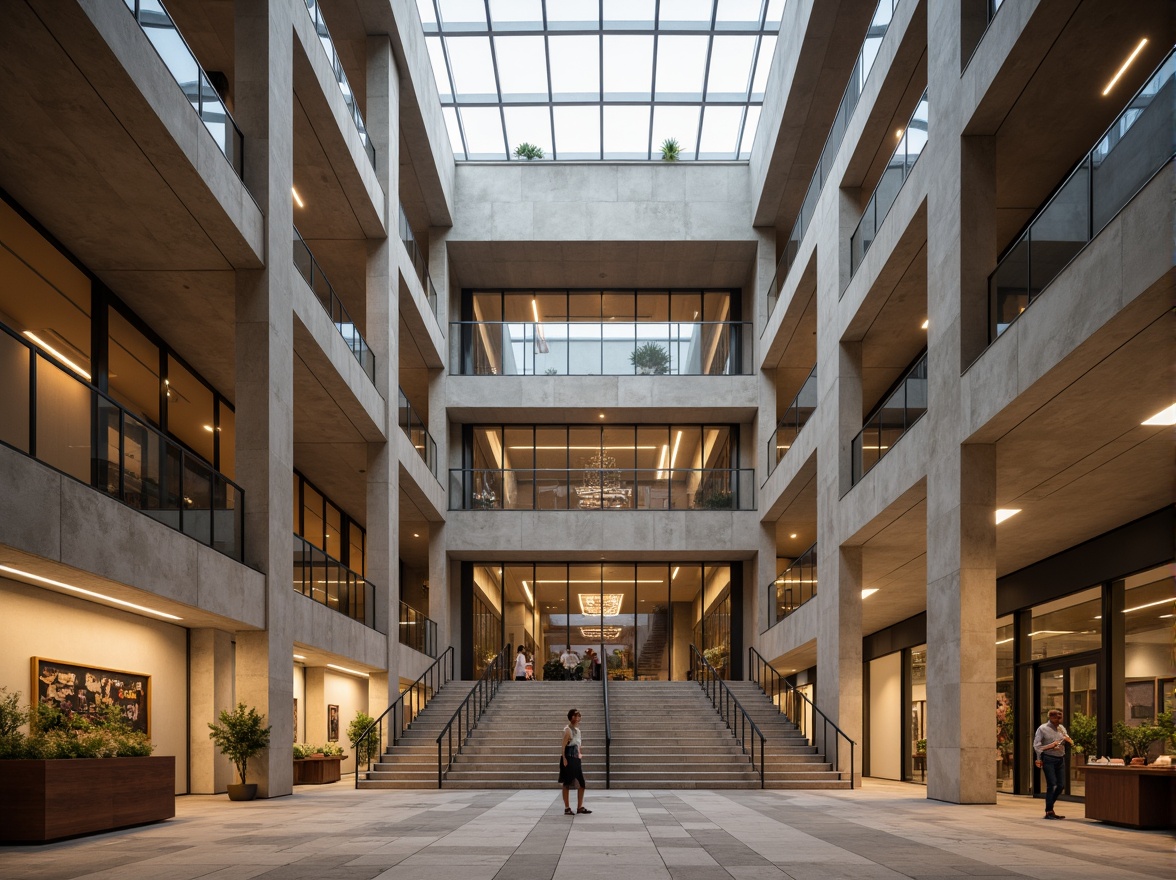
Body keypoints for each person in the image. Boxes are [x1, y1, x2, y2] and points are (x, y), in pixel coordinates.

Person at [1033, 708, 1074, 819]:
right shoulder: (1042, 729)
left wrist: (1069, 740)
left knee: (1061, 785)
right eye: (1057, 718)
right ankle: (1049, 811)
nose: (1060, 720)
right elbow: (1036, 746)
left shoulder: (1061, 728)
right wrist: (1050, 746)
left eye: (1061, 718)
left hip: (1060, 759)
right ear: (1051, 717)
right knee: (1052, 784)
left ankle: (1050, 807)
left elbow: (1066, 739)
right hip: (1048, 759)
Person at [559, 708, 591, 815]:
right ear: (571, 717)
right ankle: (567, 808)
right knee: (567, 783)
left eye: (578, 716)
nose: (577, 718)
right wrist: (564, 758)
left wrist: (580, 753)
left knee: (581, 783)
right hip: (568, 758)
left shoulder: (578, 731)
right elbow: (563, 745)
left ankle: (579, 807)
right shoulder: (567, 729)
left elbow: (578, 744)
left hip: (576, 759)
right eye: (575, 716)